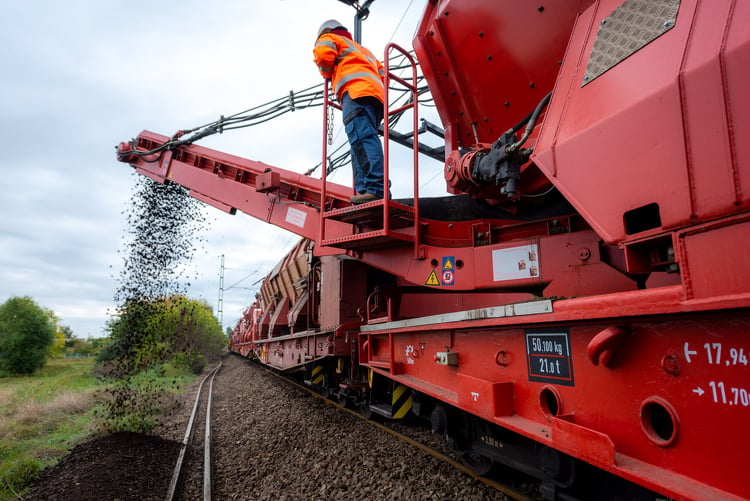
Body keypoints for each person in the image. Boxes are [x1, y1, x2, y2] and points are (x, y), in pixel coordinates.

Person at [313, 19, 388, 203]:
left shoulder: (330, 38)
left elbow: (323, 57)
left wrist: (327, 72)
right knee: (360, 143)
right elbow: (384, 73)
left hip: (354, 93)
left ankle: (376, 189)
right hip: (376, 97)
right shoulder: (363, 51)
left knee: (361, 138)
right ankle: (366, 190)